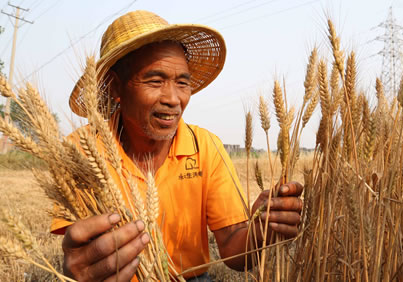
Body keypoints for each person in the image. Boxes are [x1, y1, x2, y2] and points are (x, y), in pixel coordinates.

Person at [53, 10, 303, 282]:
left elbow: (234, 250)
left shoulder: (205, 146)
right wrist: (77, 271)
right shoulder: (79, 151)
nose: (173, 99)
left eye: (182, 82)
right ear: (115, 87)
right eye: (155, 81)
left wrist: (261, 230)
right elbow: (79, 253)